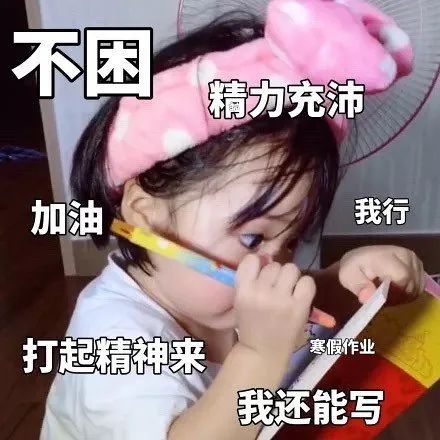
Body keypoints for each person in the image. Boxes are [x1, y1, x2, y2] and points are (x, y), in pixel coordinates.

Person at [40, 0, 422, 438]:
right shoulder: (112, 341)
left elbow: (292, 303)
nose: (277, 267)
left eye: (292, 239)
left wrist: (343, 283)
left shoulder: (211, 294)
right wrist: (259, 355)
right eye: (253, 238)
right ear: (146, 217)